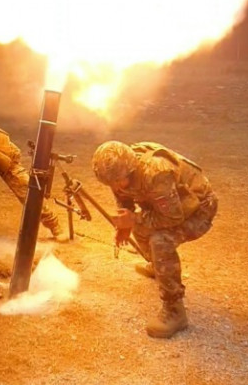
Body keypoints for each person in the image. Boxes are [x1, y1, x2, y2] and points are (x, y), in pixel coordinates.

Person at [92, 140, 218, 339]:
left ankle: (175, 310)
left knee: (161, 240)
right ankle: (158, 266)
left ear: (130, 170)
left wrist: (133, 219)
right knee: (141, 228)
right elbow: (124, 198)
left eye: (117, 181)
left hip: (198, 210)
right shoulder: (119, 171)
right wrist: (126, 223)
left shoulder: (156, 173)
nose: (115, 187)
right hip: (170, 204)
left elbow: (172, 217)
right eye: (111, 183)